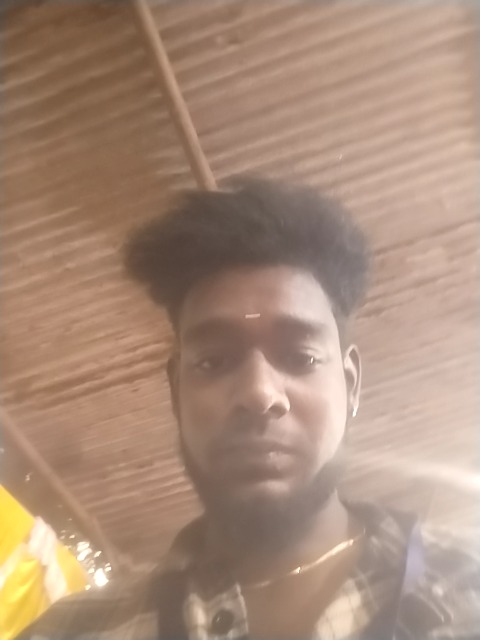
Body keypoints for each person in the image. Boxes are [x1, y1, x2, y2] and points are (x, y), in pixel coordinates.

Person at [21, 177, 479, 640]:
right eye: (213, 362)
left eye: (300, 358)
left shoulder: (468, 591)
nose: (259, 394)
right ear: (176, 391)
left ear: (351, 384)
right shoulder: (70, 632)